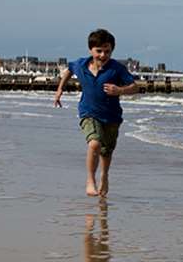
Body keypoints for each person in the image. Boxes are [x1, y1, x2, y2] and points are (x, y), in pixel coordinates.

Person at [54, 29, 138, 197]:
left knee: (106, 152)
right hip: (88, 113)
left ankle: (104, 176)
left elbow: (135, 87)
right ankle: (90, 180)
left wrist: (119, 90)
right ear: (91, 49)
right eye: (99, 51)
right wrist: (60, 89)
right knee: (94, 143)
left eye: (107, 51)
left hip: (112, 116)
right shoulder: (81, 64)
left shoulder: (116, 69)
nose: (103, 55)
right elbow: (69, 70)